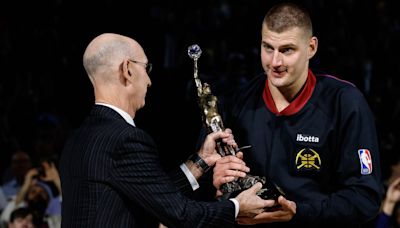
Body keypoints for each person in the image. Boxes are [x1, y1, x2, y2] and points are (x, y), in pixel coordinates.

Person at [59, 33, 273, 228]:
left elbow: (152, 196)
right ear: (128, 70)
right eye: (146, 68)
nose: (150, 81)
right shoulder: (125, 140)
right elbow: (180, 214)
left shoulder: (77, 139)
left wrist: (200, 161)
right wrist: (237, 206)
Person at [206, 2, 383, 227]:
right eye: (268, 48)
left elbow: (365, 198)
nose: (275, 62)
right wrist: (217, 183)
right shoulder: (237, 100)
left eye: (287, 50)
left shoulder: (345, 103)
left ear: (311, 47)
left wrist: (298, 213)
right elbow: (203, 190)